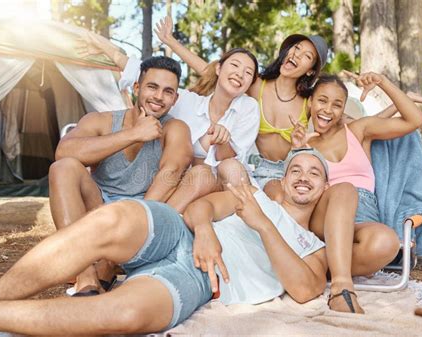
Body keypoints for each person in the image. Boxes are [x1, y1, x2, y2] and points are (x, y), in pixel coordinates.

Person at [0, 149, 329, 336]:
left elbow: (305, 288)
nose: (303, 177)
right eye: (296, 169)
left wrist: (265, 227)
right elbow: (202, 206)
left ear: (324, 188)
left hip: (200, 278)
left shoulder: (315, 246)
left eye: (314, 172)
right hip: (181, 233)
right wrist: (206, 231)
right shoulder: (257, 197)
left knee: (125, 313)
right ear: (283, 181)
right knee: (113, 218)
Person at [80, 16, 327, 191]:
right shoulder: (255, 85)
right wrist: (170, 42)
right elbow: (209, 71)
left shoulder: (307, 101)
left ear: (310, 70)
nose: (296, 55)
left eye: (306, 56)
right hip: (239, 170)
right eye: (295, 48)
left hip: (276, 168)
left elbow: (336, 118)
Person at [269, 71, 422, 313]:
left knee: (387, 242)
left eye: (336, 104)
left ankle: (319, 265)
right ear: (310, 102)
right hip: (325, 215)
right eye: (322, 100)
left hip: (362, 220)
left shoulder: (358, 130)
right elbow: (294, 189)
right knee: (344, 190)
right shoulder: (305, 142)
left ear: (343, 109)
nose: (327, 109)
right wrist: (297, 151)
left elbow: (415, 120)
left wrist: (382, 82)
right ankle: (341, 289)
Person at [49, 56, 193, 296]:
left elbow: (172, 171)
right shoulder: (101, 120)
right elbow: (63, 152)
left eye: (168, 91)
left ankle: (108, 263)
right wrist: (133, 134)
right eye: (152, 87)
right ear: (136, 88)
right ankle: (85, 276)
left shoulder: (175, 128)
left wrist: (131, 222)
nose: (159, 97)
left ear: (175, 99)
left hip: (140, 217)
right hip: (96, 212)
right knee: (62, 168)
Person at [79, 33, 261, 212]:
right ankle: (149, 220)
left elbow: (229, 158)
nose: (239, 74)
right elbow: (145, 76)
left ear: (250, 83)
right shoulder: (188, 101)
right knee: (195, 176)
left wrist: (222, 141)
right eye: (235, 65)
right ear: (219, 69)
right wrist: (101, 45)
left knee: (227, 167)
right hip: (187, 186)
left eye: (248, 73)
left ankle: (147, 219)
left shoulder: (249, 107)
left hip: (220, 183)